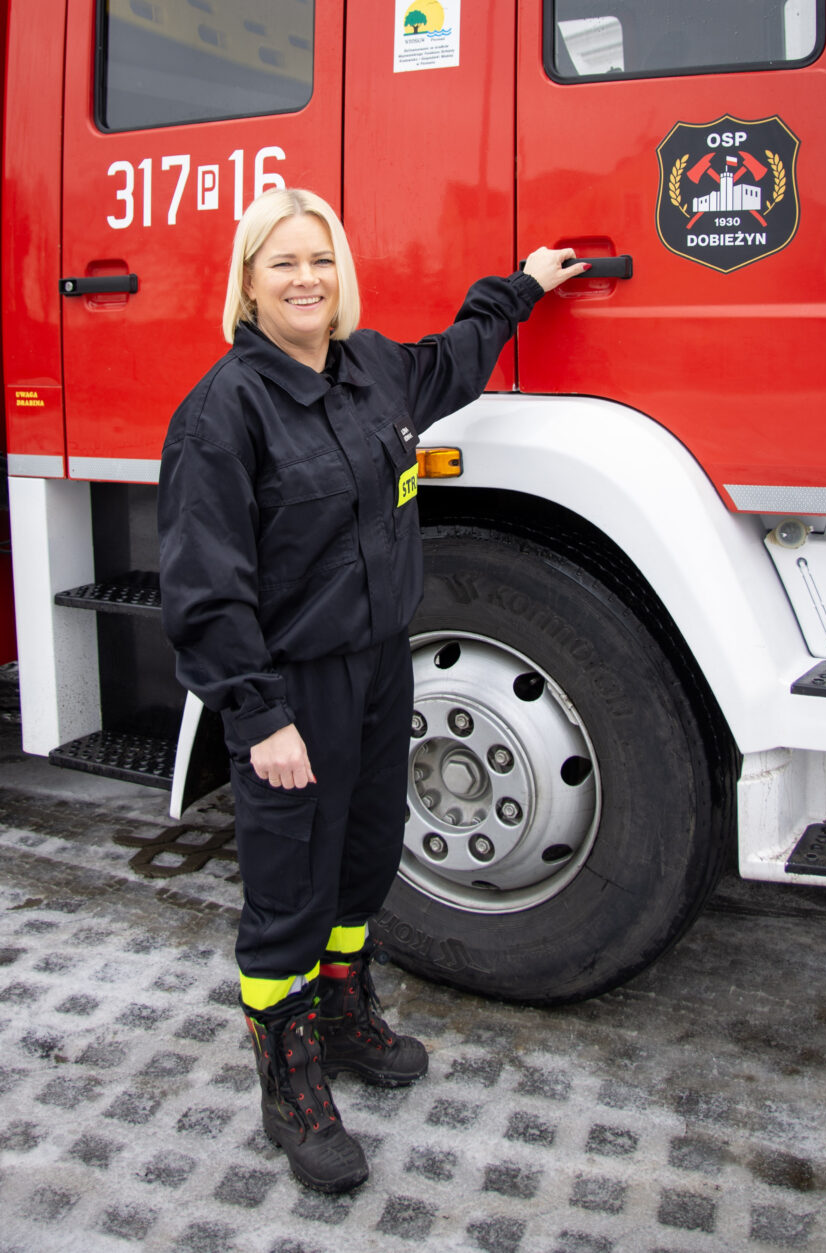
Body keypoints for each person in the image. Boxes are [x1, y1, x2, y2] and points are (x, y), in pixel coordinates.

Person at [157, 187, 587, 1194]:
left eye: (320, 259)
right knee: (289, 891)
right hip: (293, 684)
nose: (305, 278)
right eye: (282, 262)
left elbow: (458, 357)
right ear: (249, 284)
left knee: (361, 857)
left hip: (383, 664)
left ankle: (343, 1016)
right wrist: (259, 715)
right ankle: (289, 1084)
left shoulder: (373, 369)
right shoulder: (224, 411)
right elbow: (205, 585)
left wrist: (522, 286)